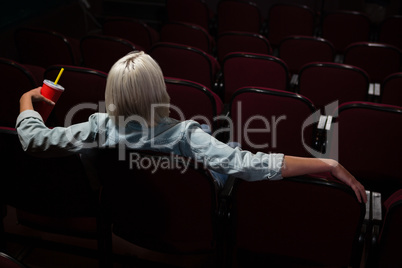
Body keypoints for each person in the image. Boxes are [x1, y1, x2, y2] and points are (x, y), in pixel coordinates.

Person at [16, 51, 367, 203]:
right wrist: (328, 162)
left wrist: (26, 102)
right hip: (189, 222)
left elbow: (32, 140)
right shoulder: (186, 135)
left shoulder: (97, 126)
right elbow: (248, 165)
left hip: (129, 213)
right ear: (159, 89)